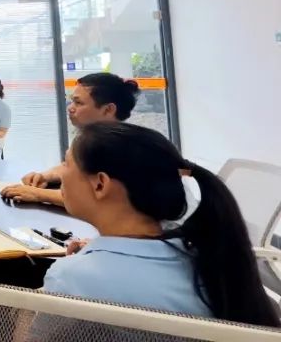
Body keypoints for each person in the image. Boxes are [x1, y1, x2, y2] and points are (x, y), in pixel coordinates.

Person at [41, 121, 280, 326]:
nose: (61, 173)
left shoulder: (69, 280)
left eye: (66, 164)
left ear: (100, 184)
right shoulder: (213, 262)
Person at [2, 73, 140, 206]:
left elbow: (97, 200)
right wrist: (45, 176)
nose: (70, 108)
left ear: (108, 109)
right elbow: (72, 167)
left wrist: (38, 194)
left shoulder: (122, 148)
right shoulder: (90, 138)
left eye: (78, 103)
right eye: (72, 101)